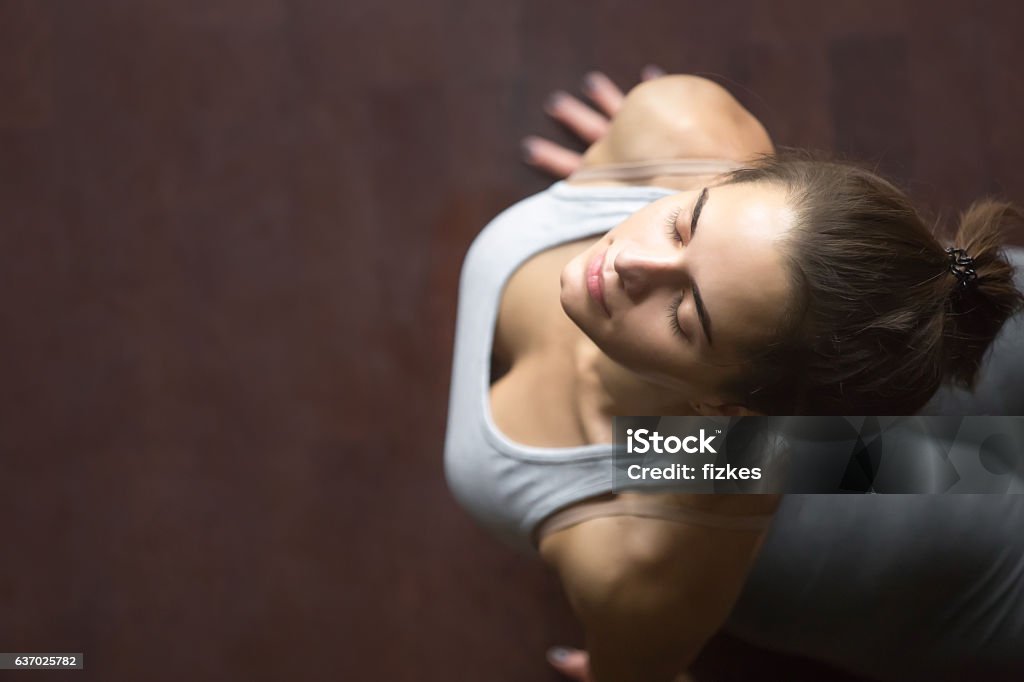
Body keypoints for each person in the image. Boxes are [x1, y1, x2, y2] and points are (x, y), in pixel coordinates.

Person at [443, 68, 1024, 682]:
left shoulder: (639, 561)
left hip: (701, 457)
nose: (625, 262)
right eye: (683, 223)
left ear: (727, 409)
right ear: (734, 176)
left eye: (685, 312)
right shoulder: (678, 128)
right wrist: (637, 161)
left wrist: (645, 637)